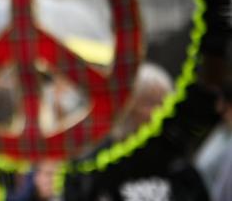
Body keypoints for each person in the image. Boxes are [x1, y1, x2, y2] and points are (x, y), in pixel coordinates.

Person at [63, 62, 216, 201]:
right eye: (150, 102)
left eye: (165, 103)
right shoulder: (95, 163)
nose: (160, 111)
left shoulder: (174, 159)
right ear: (126, 108)